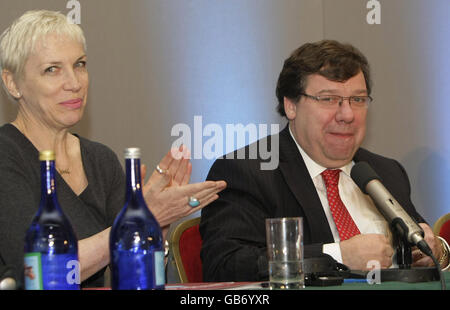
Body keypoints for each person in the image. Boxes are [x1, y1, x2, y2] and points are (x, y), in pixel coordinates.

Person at [0, 10, 226, 288]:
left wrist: (156, 226)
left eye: (80, 64)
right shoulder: (6, 155)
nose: (74, 83)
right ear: (12, 83)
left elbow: (130, 271)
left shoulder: (100, 159)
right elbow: (38, 273)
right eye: (52, 69)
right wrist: (136, 222)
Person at [200, 40, 449, 282]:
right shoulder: (247, 171)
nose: (347, 114)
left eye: (358, 99)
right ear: (291, 106)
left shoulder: (386, 171)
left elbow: (424, 242)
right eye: (329, 99)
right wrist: (338, 255)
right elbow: (226, 265)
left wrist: (437, 251)